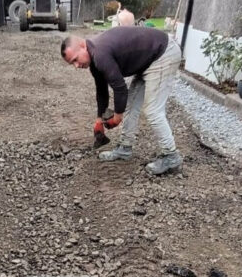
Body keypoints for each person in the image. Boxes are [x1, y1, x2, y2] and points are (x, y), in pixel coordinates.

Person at [61, 27, 183, 175]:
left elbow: (120, 88)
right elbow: (101, 91)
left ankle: (171, 157)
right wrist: (99, 120)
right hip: (148, 60)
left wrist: (117, 117)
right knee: (131, 106)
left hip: (163, 54)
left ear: (82, 45)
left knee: (153, 111)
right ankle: (125, 148)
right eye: (71, 63)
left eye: (75, 59)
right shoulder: (94, 59)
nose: (76, 65)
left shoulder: (100, 54)